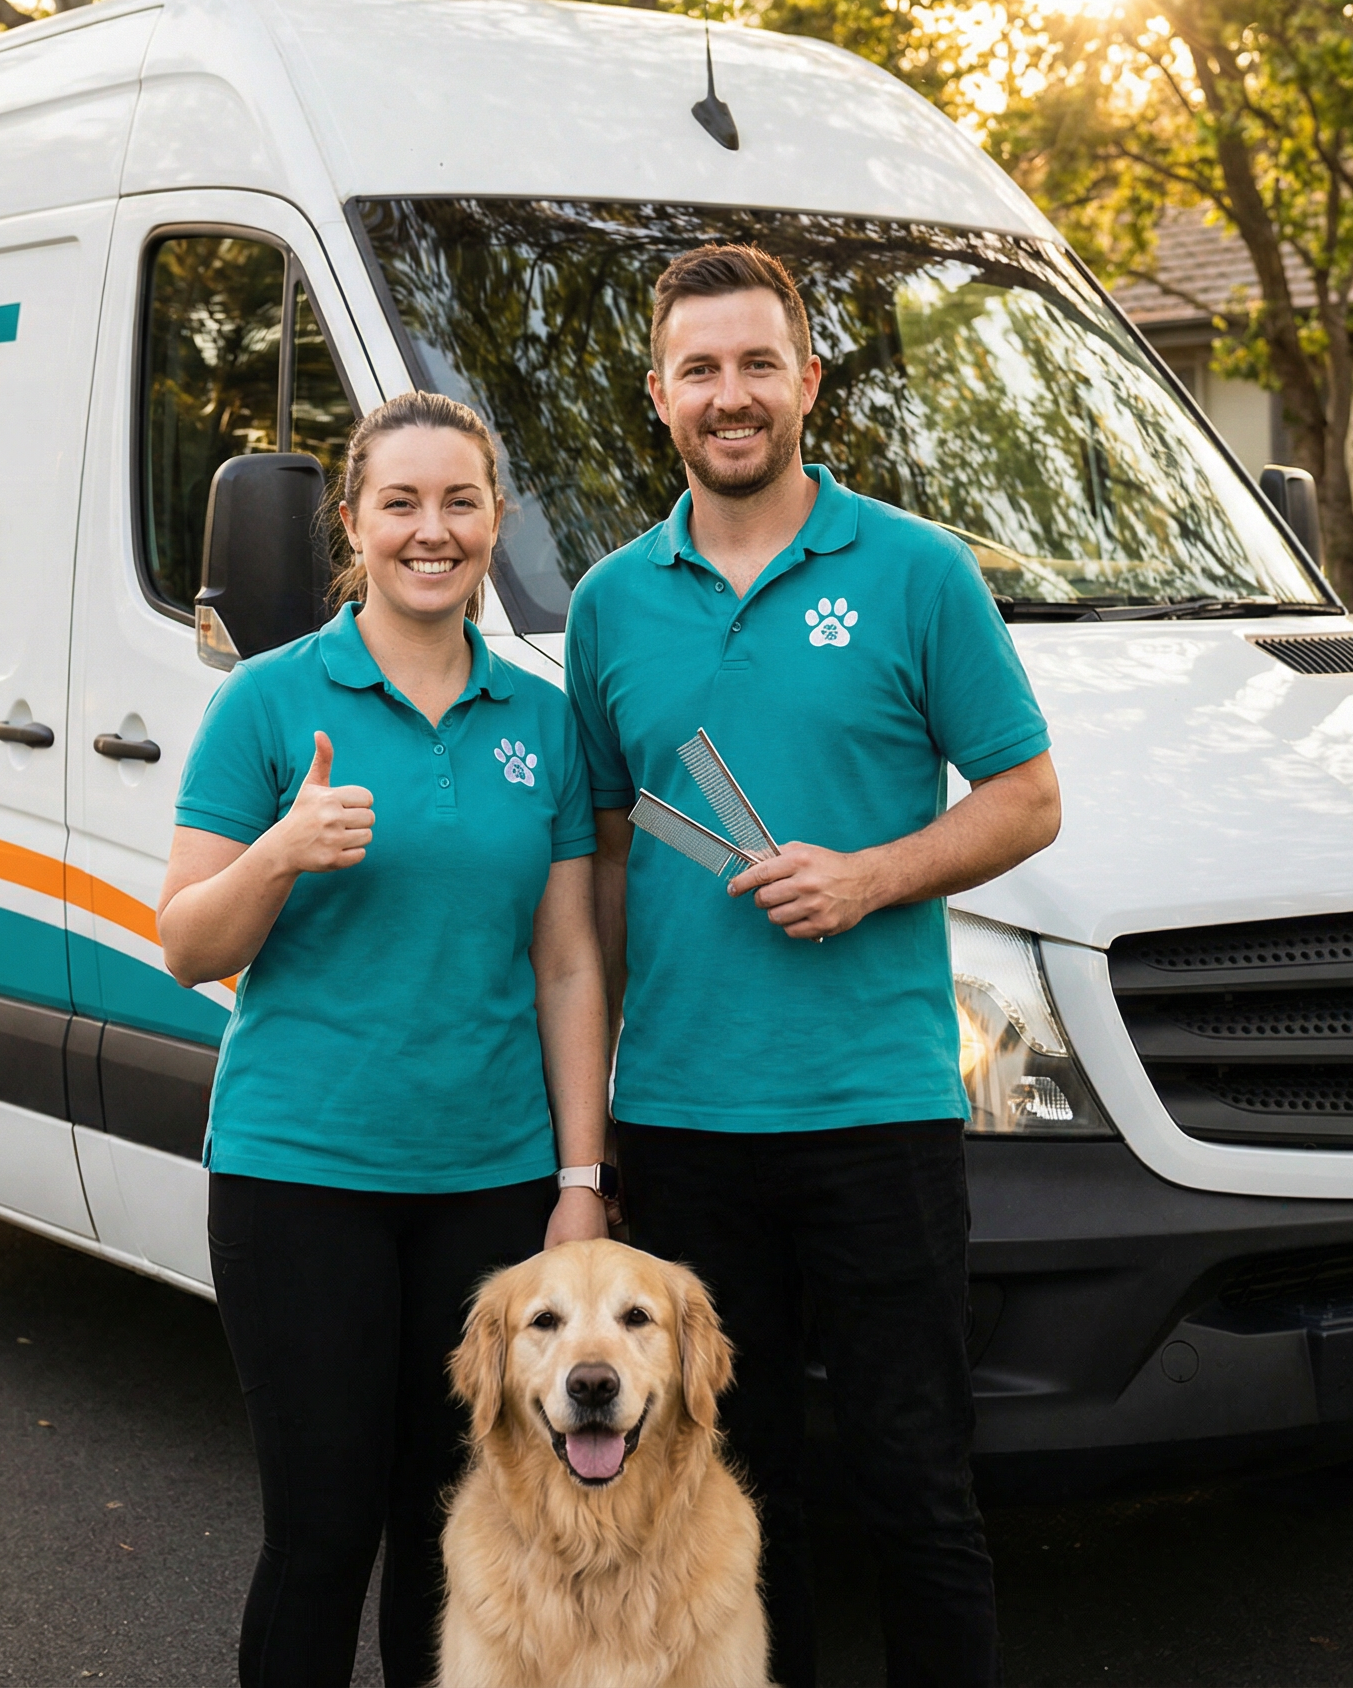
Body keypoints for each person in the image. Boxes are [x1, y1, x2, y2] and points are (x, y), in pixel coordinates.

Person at [566, 243, 1061, 1688]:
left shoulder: (916, 571)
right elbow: (601, 865)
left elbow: (1027, 797)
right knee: (726, 1500)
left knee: (917, 1486)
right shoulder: (610, 604)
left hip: (875, 1118)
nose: (733, 395)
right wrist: (588, 1137)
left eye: (758, 364)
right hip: (685, 1126)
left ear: (808, 383)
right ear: (659, 394)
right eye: (701, 369)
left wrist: (869, 875)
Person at [157, 391, 615, 1688]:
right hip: (301, 1179)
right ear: (350, 525)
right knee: (321, 1534)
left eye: (460, 502)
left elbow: (570, 961)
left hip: (489, 1185)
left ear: (496, 522)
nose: (432, 530)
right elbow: (189, 941)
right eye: (400, 504)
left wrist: (581, 1184)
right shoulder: (267, 705)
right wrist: (283, 853)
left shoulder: (541, 720)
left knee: (456, 1538)